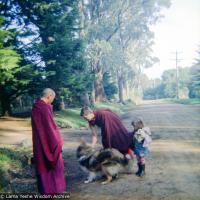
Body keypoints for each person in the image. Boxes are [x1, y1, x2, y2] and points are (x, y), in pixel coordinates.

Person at [31, 88, 66, 194]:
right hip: (49, 143)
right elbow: (50, 128)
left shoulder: (35, 107)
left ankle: (46, 191)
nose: (52, 101)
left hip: (39, 143)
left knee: (42, 163)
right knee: (54, 162)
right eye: (53, 98)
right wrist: (58, 141)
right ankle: (53, 190)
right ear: (49, 96)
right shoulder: (45, 108)